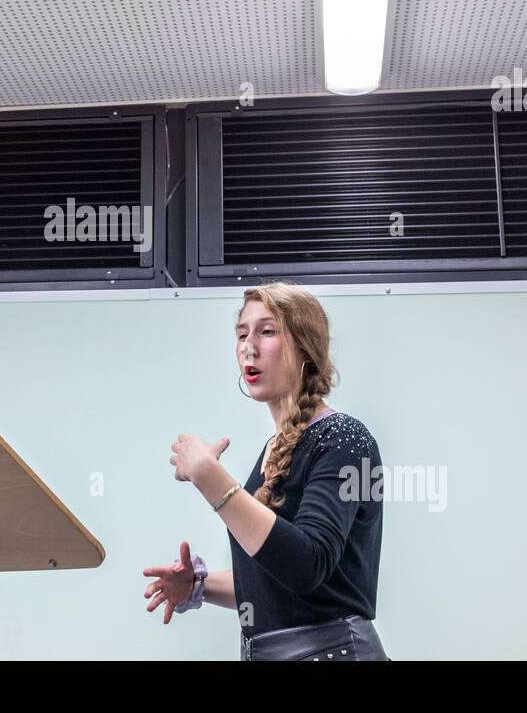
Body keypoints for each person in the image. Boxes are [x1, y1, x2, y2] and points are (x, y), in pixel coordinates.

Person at [142, 282, 389, 660]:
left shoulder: (342, 437)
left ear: (305, 345)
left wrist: (213, 481)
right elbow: (273, 580)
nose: (248, 346)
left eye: (267, 331)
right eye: (242, 334)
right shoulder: (273, 449)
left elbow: (308, 566)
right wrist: (199, 586)